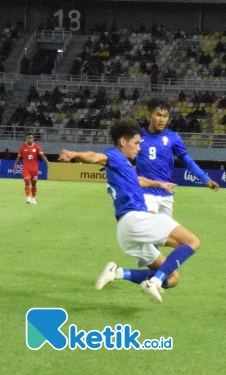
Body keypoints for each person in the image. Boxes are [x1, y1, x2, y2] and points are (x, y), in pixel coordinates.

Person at [58, 119, 200, 303]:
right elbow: (95, 156)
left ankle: (117, 272)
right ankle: (154, 282)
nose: (139, 148)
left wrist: (158, 183)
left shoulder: (123, 165)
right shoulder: (114, 155)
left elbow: (137, 180)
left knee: (172, 278)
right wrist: (74, 154)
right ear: (123, 142)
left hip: (126, 231)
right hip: (135, 219)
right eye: (136, 143)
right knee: (191, 241)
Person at [137, 99, 219, 217]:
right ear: (149, 115)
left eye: (165, 116)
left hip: (166, 193)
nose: (162, 119)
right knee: (151, 225)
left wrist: (205, 179)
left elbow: (187, 161)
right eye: (158, 115)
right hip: (145, 193)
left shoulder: (173, 137)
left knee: (164, 232)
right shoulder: (138, 136)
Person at [13, 133, 50, 204]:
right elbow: (18, 157)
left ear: (33, 139)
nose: (30, 139)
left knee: (34, 184)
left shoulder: (37, 147)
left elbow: (42, 155)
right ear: (26, 139)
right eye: (28, 138)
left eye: (31, 138)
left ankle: (33, 198)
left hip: (34, 169)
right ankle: (28, 197)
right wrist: (15, 166)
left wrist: (47, 161)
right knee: (27, 181)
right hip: (26, 168)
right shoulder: (22, 147)